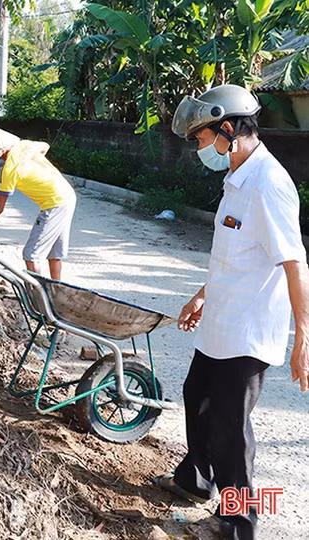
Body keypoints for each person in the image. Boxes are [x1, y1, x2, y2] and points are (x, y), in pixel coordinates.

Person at [154, 84, 309, 540]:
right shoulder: (238, 177)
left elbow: (295, 264)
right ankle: (195, 480)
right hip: (221, 322)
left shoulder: (268, 184)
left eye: (202, 138)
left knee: (230, 427)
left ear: (227, 130)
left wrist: (303, 337)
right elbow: (236, 255)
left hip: (247, 332)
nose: (200, 147)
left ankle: (239, 523)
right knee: (196, 396)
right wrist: (202, 296)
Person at [0, 124, 76, 280]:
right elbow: (45, 146)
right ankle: (56, 289)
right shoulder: (25, 145)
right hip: (68, 195)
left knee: (31, 254)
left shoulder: (8, 170)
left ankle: (38, 293)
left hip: (55, 203)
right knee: (54, 253)